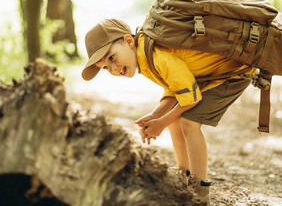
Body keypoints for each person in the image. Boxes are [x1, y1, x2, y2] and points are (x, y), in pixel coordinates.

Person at [81, 18, 255, 205]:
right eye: (105, 68)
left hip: (232, 73)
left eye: (111, 57)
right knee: (175, 118)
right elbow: (174, 89)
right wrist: (156, 116)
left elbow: (190, 96)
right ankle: (183, 173)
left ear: (129, 41)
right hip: (211, 76)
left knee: (189, 122)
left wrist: (161, 123)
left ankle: (200, 191)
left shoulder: (156, 56)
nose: (113, 69)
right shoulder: (146, 55)